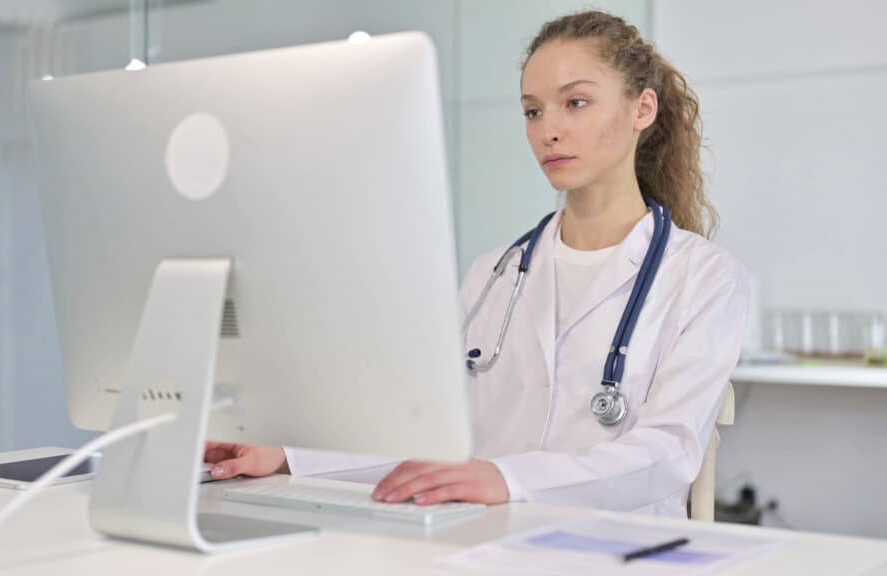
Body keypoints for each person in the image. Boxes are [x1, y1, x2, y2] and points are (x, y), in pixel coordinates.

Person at [203, 10, 750, 518]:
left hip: (618, 548)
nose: (548, 130)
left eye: (576, 103)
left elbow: (667, 453)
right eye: (533, 110)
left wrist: (505, 478)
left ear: (642, 110)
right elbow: (432, 434)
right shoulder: (495, 274)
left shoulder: (704, 278)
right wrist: (288, 456)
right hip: (487, 537)